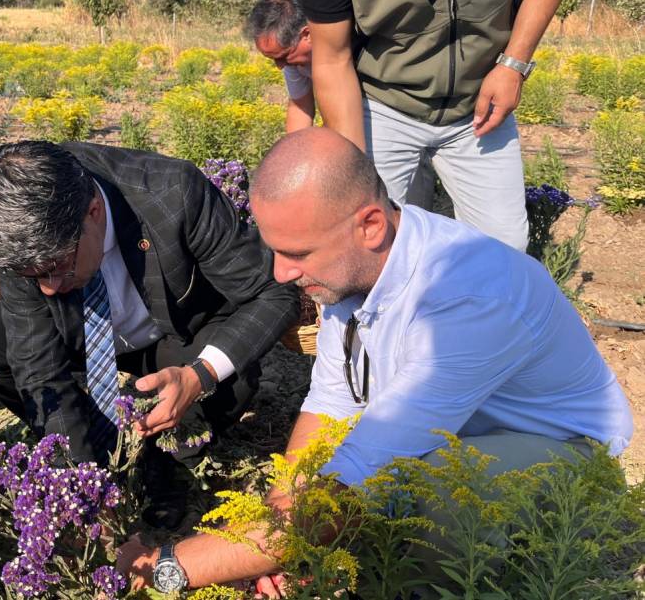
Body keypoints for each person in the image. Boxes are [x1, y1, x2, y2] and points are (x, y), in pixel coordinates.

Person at [116, 128, 632, 595]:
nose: (279, 273)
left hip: (567, 457)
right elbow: (332, 401)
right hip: (455, 434)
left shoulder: (467, 299)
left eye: (297, 252)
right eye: (274, 250)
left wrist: (169, 566)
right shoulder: (357, 264)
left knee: (439, 498)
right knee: (337, 503)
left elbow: (355, 480)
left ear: (369, 225)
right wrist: (284, 533)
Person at [0, 141, 299, 529]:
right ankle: (108, 446)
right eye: (34, 276)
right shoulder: (18, 229)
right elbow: (37, 365)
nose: (48, 287)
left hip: (175, 332)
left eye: (57, 267)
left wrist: (199, 375)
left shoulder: (171, 192)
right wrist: (79, 481)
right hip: (81, 333)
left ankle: (165, 463)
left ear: (93, 212)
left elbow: (274, 292)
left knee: (233, 370)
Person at [302, 0, 560, 252]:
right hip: (382, 103)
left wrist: (513, 65)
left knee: (505, 246)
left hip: (478, 106)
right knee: (369, 238)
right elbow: (331, 60)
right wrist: (354, 167)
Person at [245, 0, 440, 211]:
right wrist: (293, 163)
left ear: (307, 34)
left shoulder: (355, 45)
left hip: (400, 106)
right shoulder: (294, 63)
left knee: (407, 192)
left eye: (282, 56)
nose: (279, 66)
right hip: (372, 125)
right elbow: (300, 107)